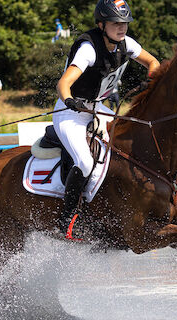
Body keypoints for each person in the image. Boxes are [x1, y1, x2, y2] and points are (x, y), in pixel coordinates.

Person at [54, 0, 160, 233]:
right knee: (85, 162)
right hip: (70, 113)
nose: (122, 28)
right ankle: (67, 220)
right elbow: (63, 84)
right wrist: (70, 100)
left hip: (98, 108)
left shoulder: (127, 44)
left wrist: (151, 78)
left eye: (125, 23)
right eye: (115, 23)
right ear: (101, 25)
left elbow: (153, 62)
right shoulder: (88, 49)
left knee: (128, 143)